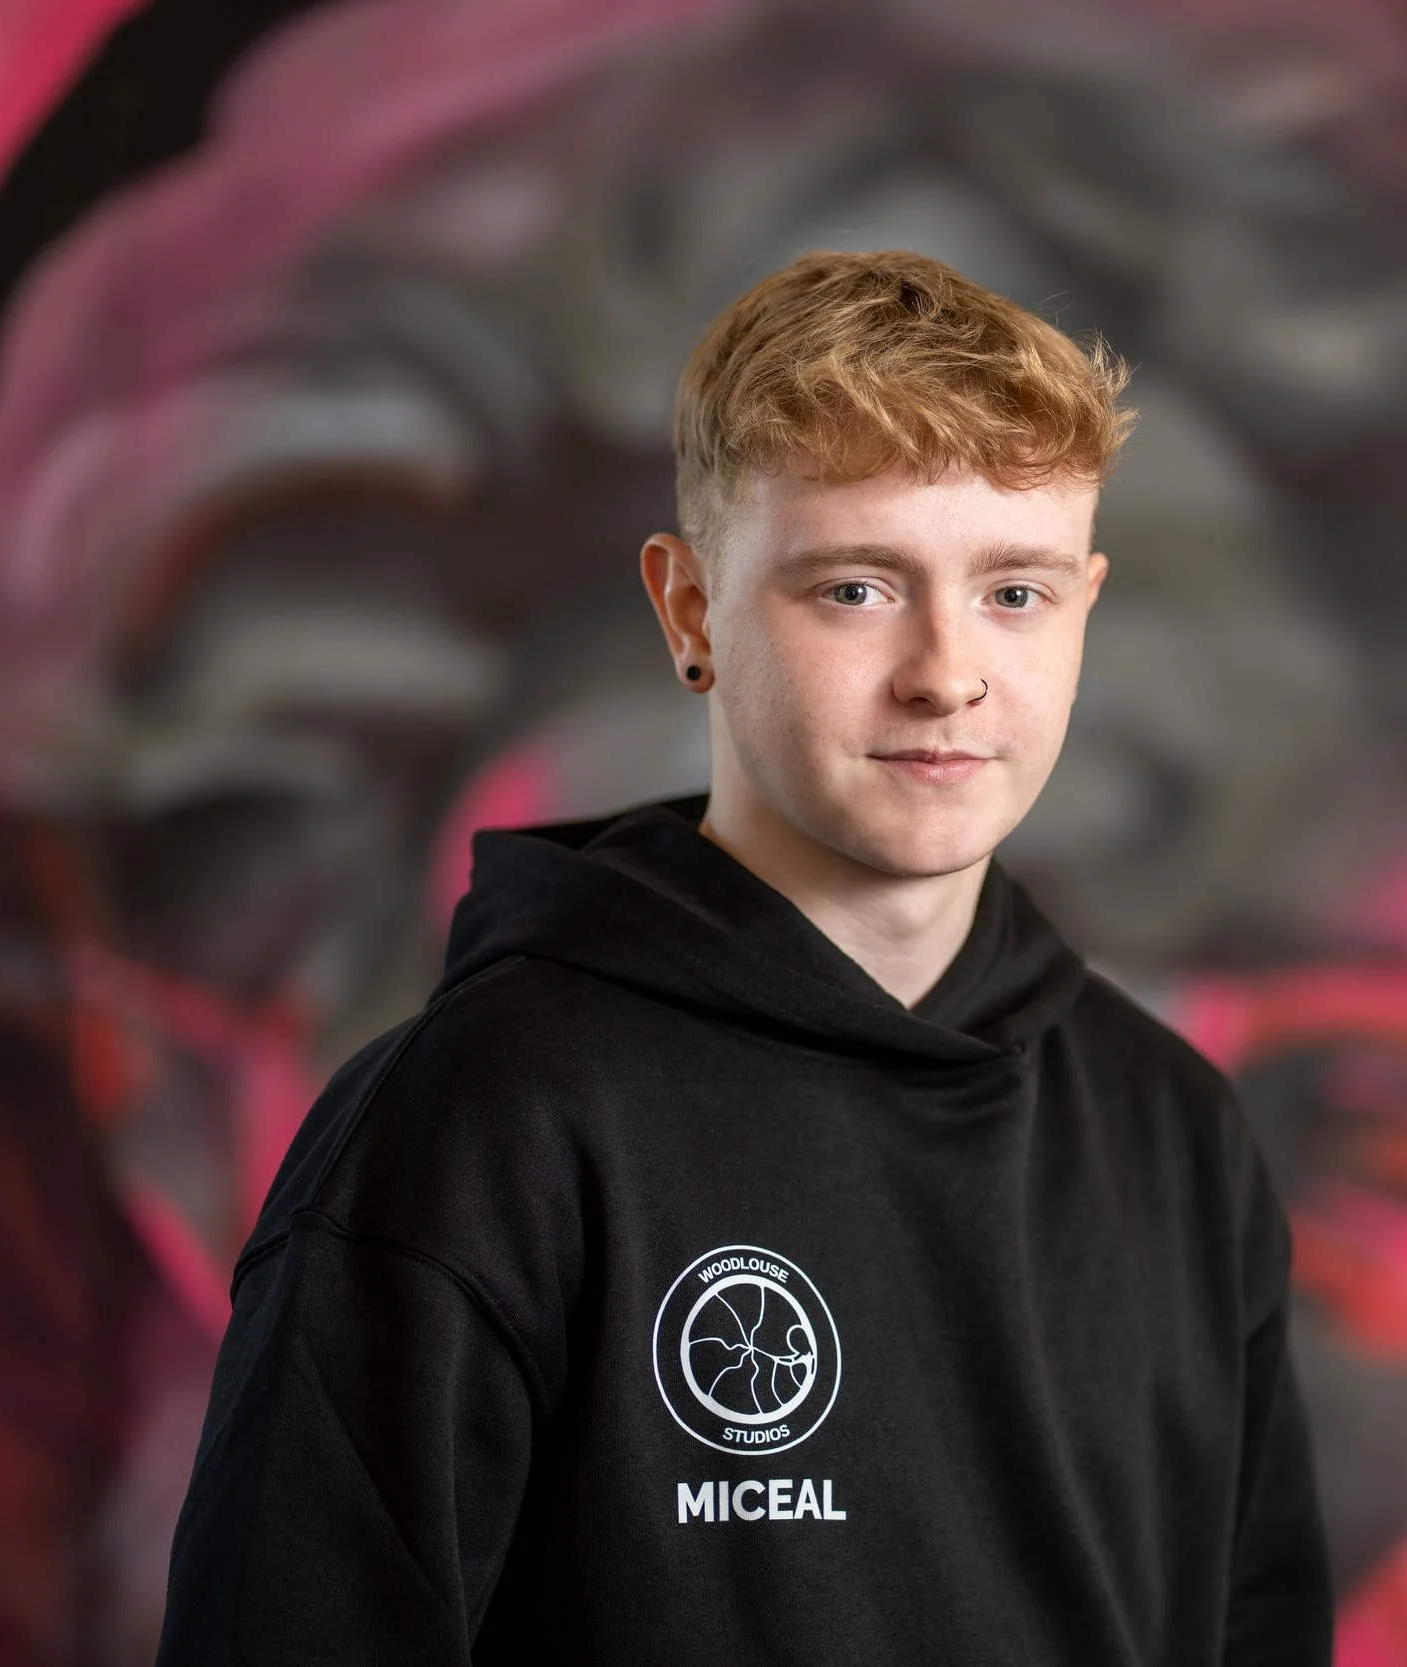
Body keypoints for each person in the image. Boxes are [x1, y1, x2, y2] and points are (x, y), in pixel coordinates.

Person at [154, 249, 1332, 1663]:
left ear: (1084, 605)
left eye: (1013, 592)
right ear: (692, 609)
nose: (946, 670)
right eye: (854, 589)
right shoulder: (478, 1128)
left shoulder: (1174, 1136)